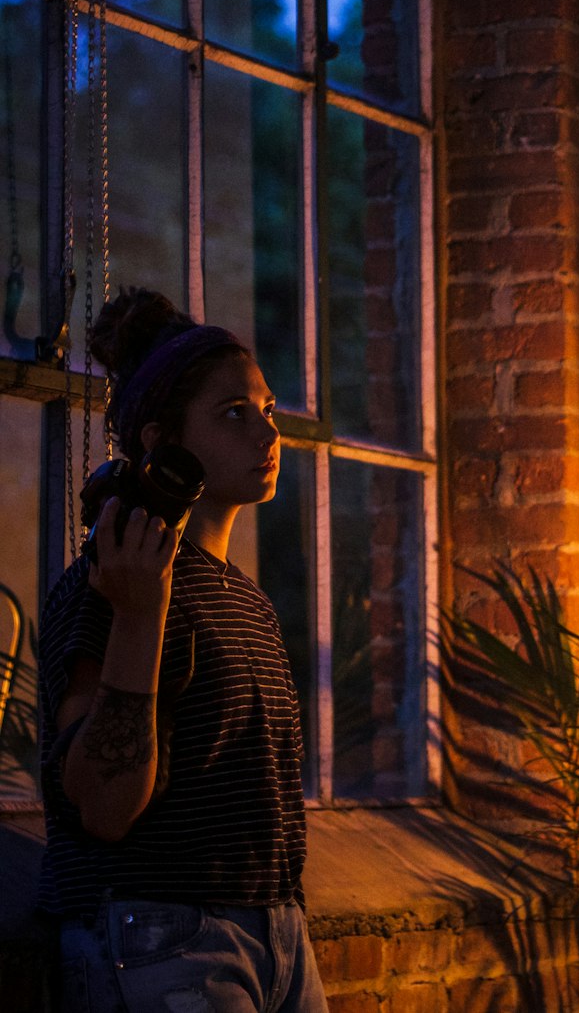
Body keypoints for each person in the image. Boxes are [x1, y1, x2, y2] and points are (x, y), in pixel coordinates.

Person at [37, 287, 326, 1012]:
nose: (268, 434)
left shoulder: (248, 601)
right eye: (234, 415)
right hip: (163, 935)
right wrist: (140, 613)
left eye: (266, 411)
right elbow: (103, 806)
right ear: (161, 443)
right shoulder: (106, 586)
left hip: (277, 934)